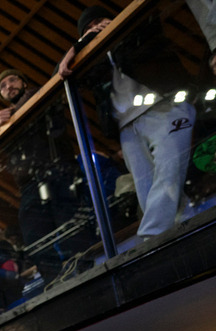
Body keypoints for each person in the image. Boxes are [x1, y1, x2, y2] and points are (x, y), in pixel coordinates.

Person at [58, 7, 195, 239]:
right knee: (145, 186)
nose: (96, 28)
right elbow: (61, 75)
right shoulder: (95, 60)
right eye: (89, 28)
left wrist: (115, 27)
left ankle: (152, 236)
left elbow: (151, 24)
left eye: (99, 21)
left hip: (164, 106)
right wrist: (81, 45)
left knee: (169, 166)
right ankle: (187, 223)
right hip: (126, 126)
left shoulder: (135, 29)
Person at [0, 69, 82, 283]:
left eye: (12, 80)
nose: (8, 86)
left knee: (70, 227)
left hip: (58, 172)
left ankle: (83, 267)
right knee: (34, 237)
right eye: (2, 86)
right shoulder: (5, 121)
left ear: (23, 81)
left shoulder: (37, 96)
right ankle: (55, 281)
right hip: (30, 184)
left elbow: (34, 96)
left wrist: (9, 117)